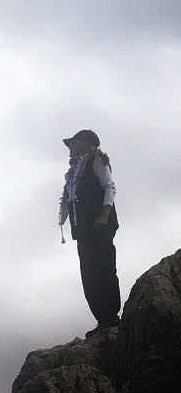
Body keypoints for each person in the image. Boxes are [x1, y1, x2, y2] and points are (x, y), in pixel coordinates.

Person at [59, 129, 120, 337]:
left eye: (73, 143)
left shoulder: (97, 160)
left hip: (99, 225)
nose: (70, 149)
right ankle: (102, 319)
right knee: (89, 274)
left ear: (86, 143)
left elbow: (109, 186)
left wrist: (103, 216)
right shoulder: (74, 172)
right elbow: (70, 199)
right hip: (83, 229)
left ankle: (111, 318)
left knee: (104, 269)